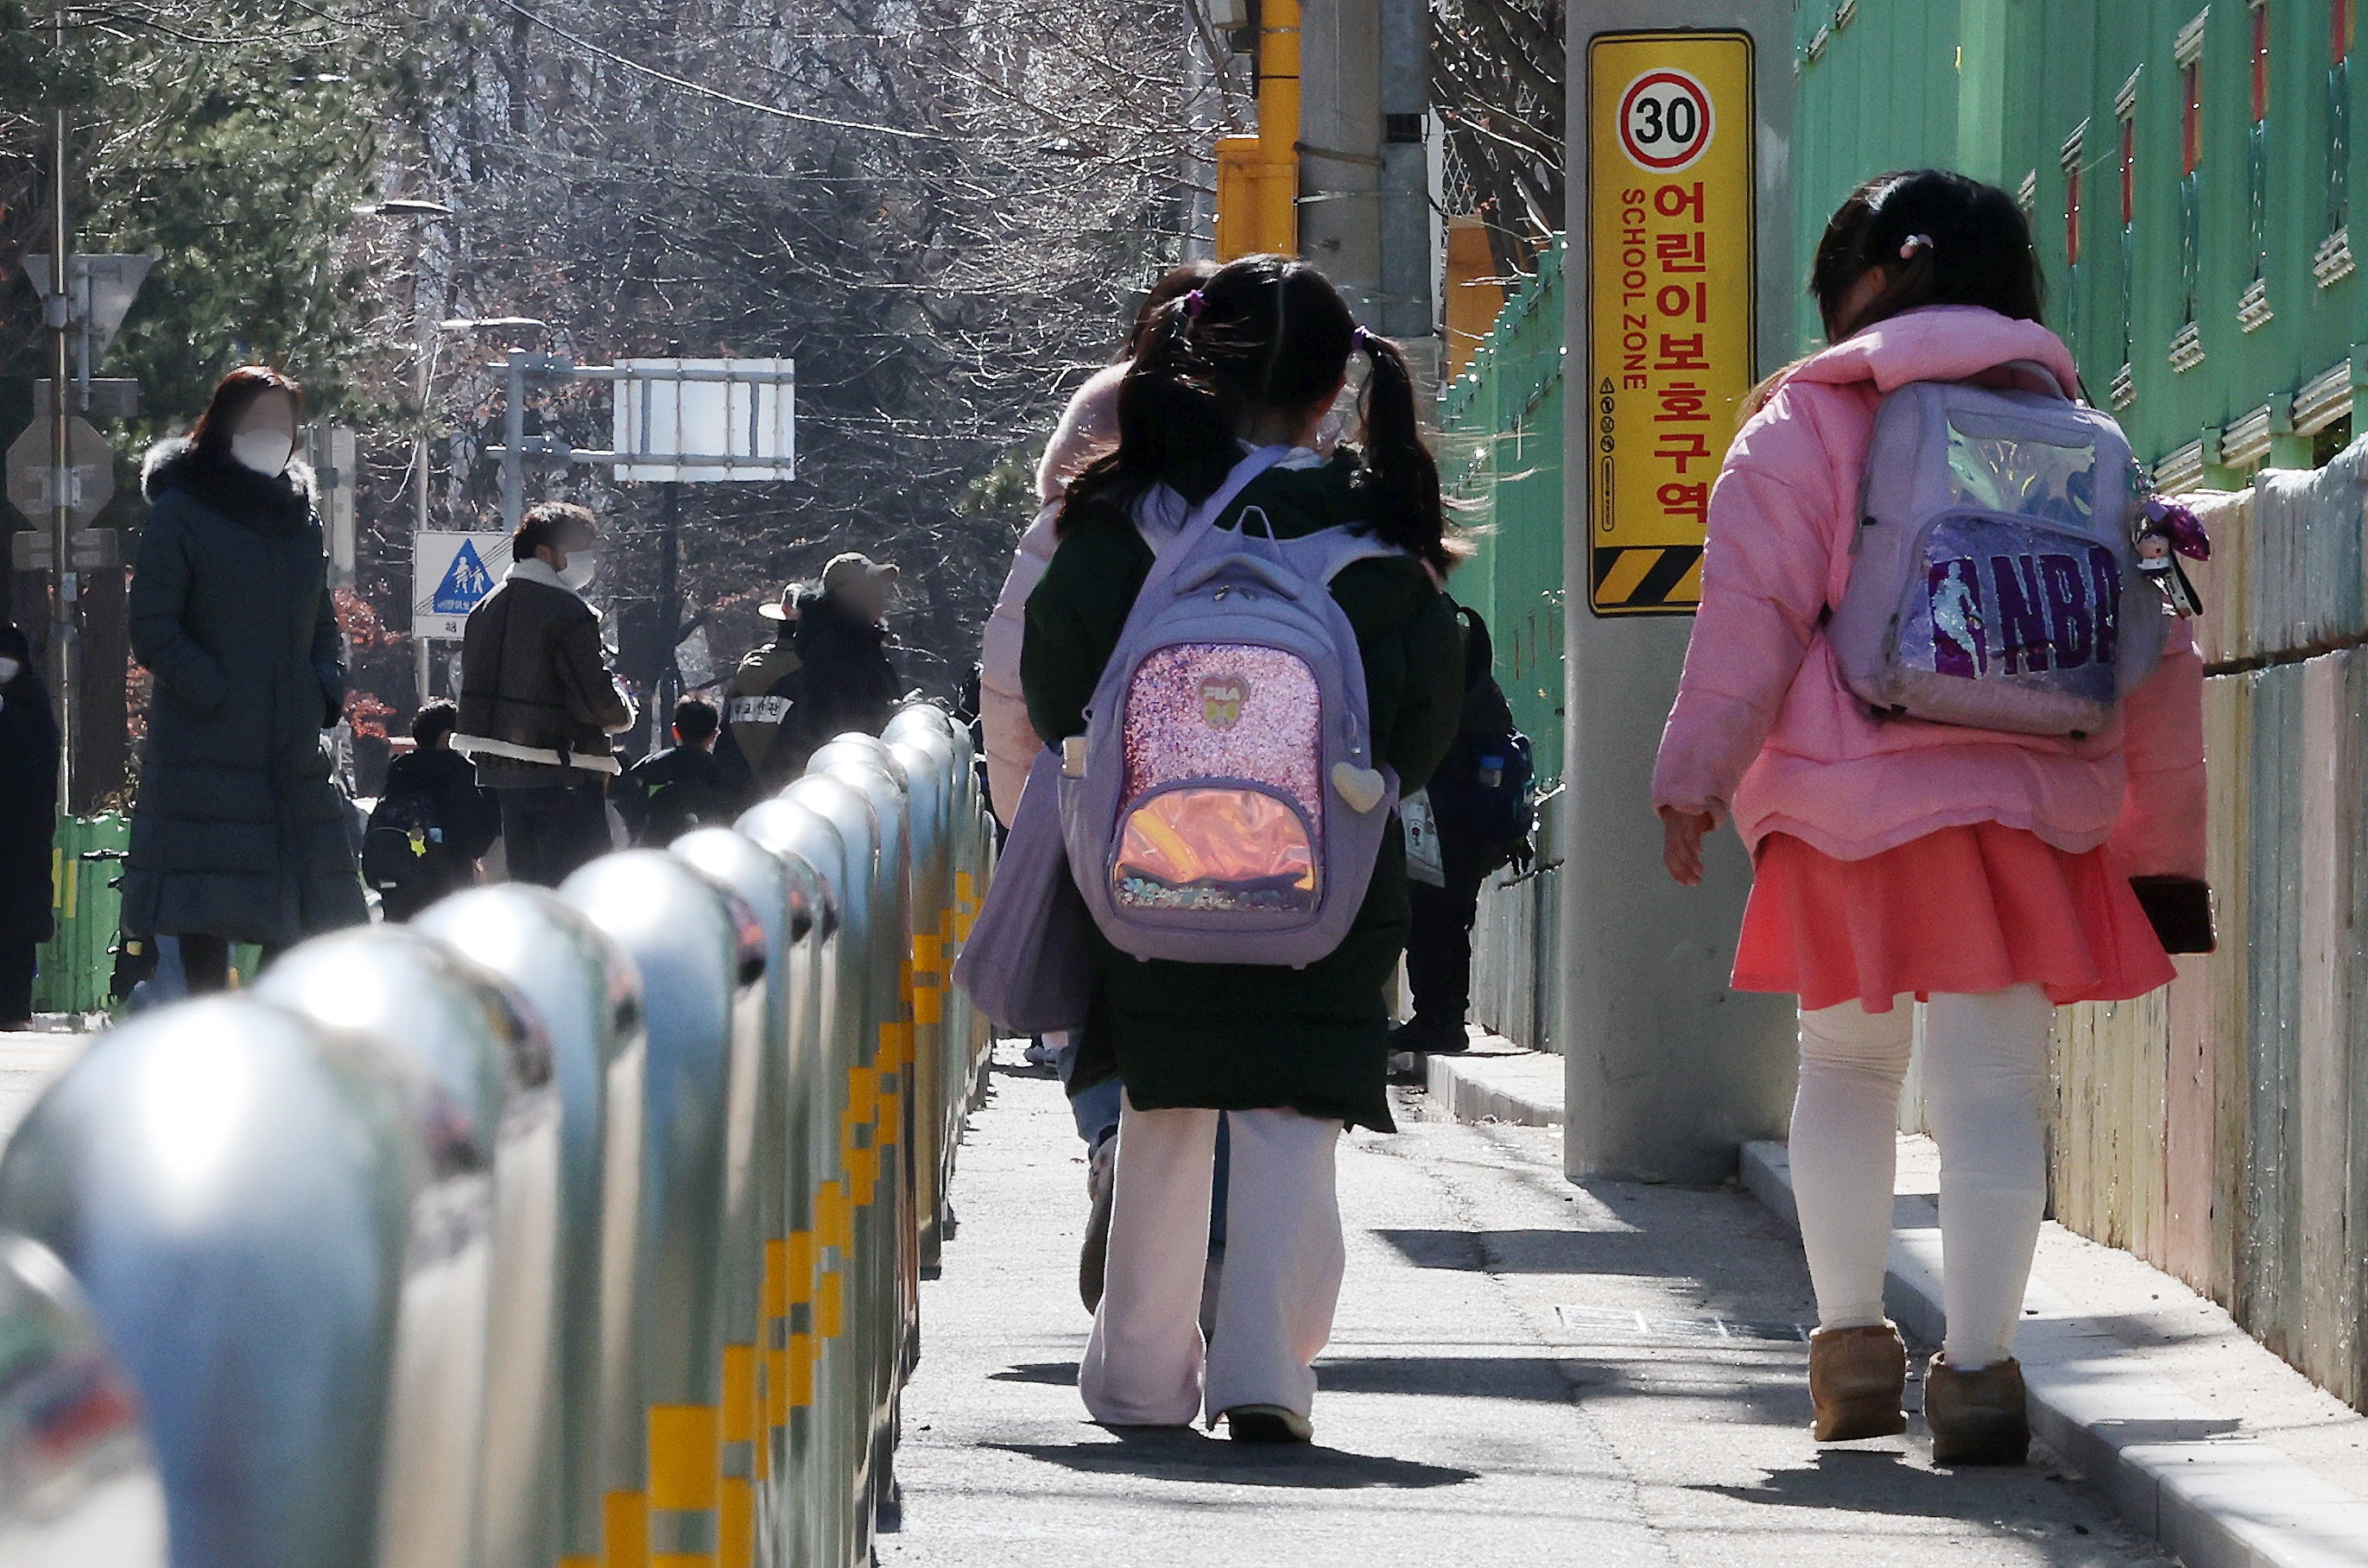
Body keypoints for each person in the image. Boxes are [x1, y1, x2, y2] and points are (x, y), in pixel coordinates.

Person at [1651, 170, 2206, 1465]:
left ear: (1866, 281)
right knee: (1994, 1088)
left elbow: (1747, 623)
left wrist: (1690, 777)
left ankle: (1849, 1352)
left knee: (1844, 1068)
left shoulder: (1802, 423)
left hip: (1847, 808)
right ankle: (1980, 1377)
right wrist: (2162, 867)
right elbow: (2159, 664)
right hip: (2029, 810)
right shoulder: (2085, 437)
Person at [1024, 254, 1464, 1443]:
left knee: (1161, 1116)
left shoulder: (1132, 515)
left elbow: (1054, 674)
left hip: (1146, 879)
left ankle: (1134, 1381)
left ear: (1189, 373)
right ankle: (1267, 1372)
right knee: (1290, 1120)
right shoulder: (1373, 527)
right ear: (1334, 393)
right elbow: (1429, 704)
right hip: (1324, 884)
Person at [978, 262, 1219, 1308]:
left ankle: (1113, 1137)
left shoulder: (1088, 497)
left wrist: (1026, 796)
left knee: (1093, 986)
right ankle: (1221, 1229)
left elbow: (1020, 662)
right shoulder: (1289, 484)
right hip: (1259, 803)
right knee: (1231, 986)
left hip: (1096, 783)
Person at [124, 366, 369, 990]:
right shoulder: (182, 510)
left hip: (289, 744)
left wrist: (324, 689)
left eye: (285, 424)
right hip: (204, 748)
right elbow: (154, 626)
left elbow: (322, 622)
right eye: (261, 421)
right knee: (205, 912)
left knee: (312, 908)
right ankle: (213, 1036)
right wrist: (213, 689)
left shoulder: (299, 517)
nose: (275, 435)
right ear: (225, 421)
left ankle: (269, 1024)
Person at [453, 501, 634, 888]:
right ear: (544, 553)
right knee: (578, 890)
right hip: (560, 767)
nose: (586, 561)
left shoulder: (486, 607)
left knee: (529, 890)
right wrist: (622, 711)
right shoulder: (566, 611)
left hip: (502, 772)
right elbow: (595, 699)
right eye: (577, 550)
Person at [1393, 603, 1535, 1060]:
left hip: (1442, 819)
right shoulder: (1479, 684)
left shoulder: (1437, 681)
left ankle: (1439, 1020)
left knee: (1431, 920)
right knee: (1448, 921)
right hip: (1473, 824)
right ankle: (1443, 1016)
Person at [364, 699, 501, 921]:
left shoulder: (399, 768)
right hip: (446, 881)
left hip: (398, 877)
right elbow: (479, 834)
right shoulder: (459, 772)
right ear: (447, 736)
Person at [776, 552, 901, 772]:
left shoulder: (860, 640)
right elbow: (847, 721)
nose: (879, 593)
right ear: (844, 592)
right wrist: (898, 712)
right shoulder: (832, 648)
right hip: (844, 774)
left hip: (865, 772)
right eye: (869, 585)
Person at [0, 624, 58, 1028]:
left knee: (16, 931)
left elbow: (36, 771)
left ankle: (15, 1007)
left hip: (21, 839)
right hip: (26, 840)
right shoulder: (35, 702)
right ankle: (15, 1008)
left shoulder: (30, 704)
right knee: (18, 928)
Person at [617, 696, 750, 846]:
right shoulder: (722, 771)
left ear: (675, 731)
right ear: (713, 736)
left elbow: (631, 813)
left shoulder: (651, 765)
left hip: (656, 850)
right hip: (708, 850)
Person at [727, 582, 811, 791]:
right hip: (791, 792)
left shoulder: (747, 669)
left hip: (738, 792)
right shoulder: (810, 674)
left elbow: (726, 734)